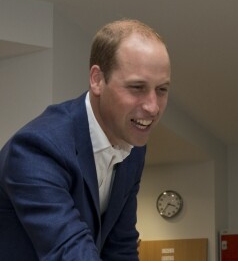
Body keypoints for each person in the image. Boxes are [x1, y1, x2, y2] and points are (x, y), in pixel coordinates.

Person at [0, 19, 171, 261]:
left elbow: (120, 248)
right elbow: (70, 252)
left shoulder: (133, 149)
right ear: (97, 80)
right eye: (137, 87)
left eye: (162, 90)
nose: (153, 107)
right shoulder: (37, 149)